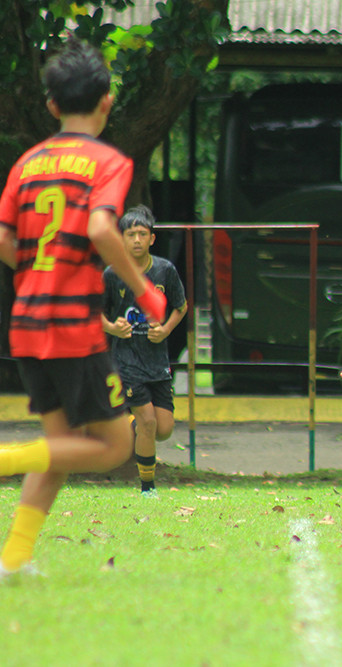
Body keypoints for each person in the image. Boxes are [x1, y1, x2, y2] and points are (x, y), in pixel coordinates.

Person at [0, 36, 167, 577]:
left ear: (51, 106)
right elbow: (100, 227)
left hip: (26, 322)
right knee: (113, 446)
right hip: (72, 327)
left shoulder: (27, 163)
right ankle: (4, 460)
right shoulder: (108, 161)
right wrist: (145, 291)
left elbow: (5, 238)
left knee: (62, 447)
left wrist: (38, 271)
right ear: (106, 102)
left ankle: (15, 557)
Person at [102, 205, 187, 497]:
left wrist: (165, 329)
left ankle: (127, 421)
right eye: (130, 234)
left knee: (163, 429)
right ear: (121, 239)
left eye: (142, 234)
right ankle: (148, 488)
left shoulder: (165, 270)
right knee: (148, 422)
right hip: (125, 363)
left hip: (157, 363)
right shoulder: (113, 274)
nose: (136, 239)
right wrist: (112, 328)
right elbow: (93, 314)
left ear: (152, 239)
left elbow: (181, 306)